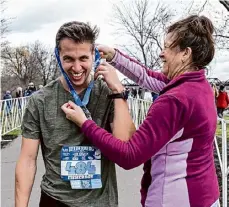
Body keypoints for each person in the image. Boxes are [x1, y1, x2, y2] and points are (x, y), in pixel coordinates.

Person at [61, 15, 220, 207]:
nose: (161, 54)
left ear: (185, 53)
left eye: (167, 47)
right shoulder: (198, 85)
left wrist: (85, 123)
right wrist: (115, 56)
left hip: (174, 199)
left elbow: (130, 155)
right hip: (205, 195)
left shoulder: (174, 101)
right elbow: (147, 77)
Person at [15, 21, 134, 207]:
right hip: (55, 199)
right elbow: (27, 160)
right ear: (58, 56)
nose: (77, 68)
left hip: (101, 201)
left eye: (83, 59)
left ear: (94, 56)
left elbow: (125, 146)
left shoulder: (108, 93)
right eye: (69, 59)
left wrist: (118, 91)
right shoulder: (40, 100)